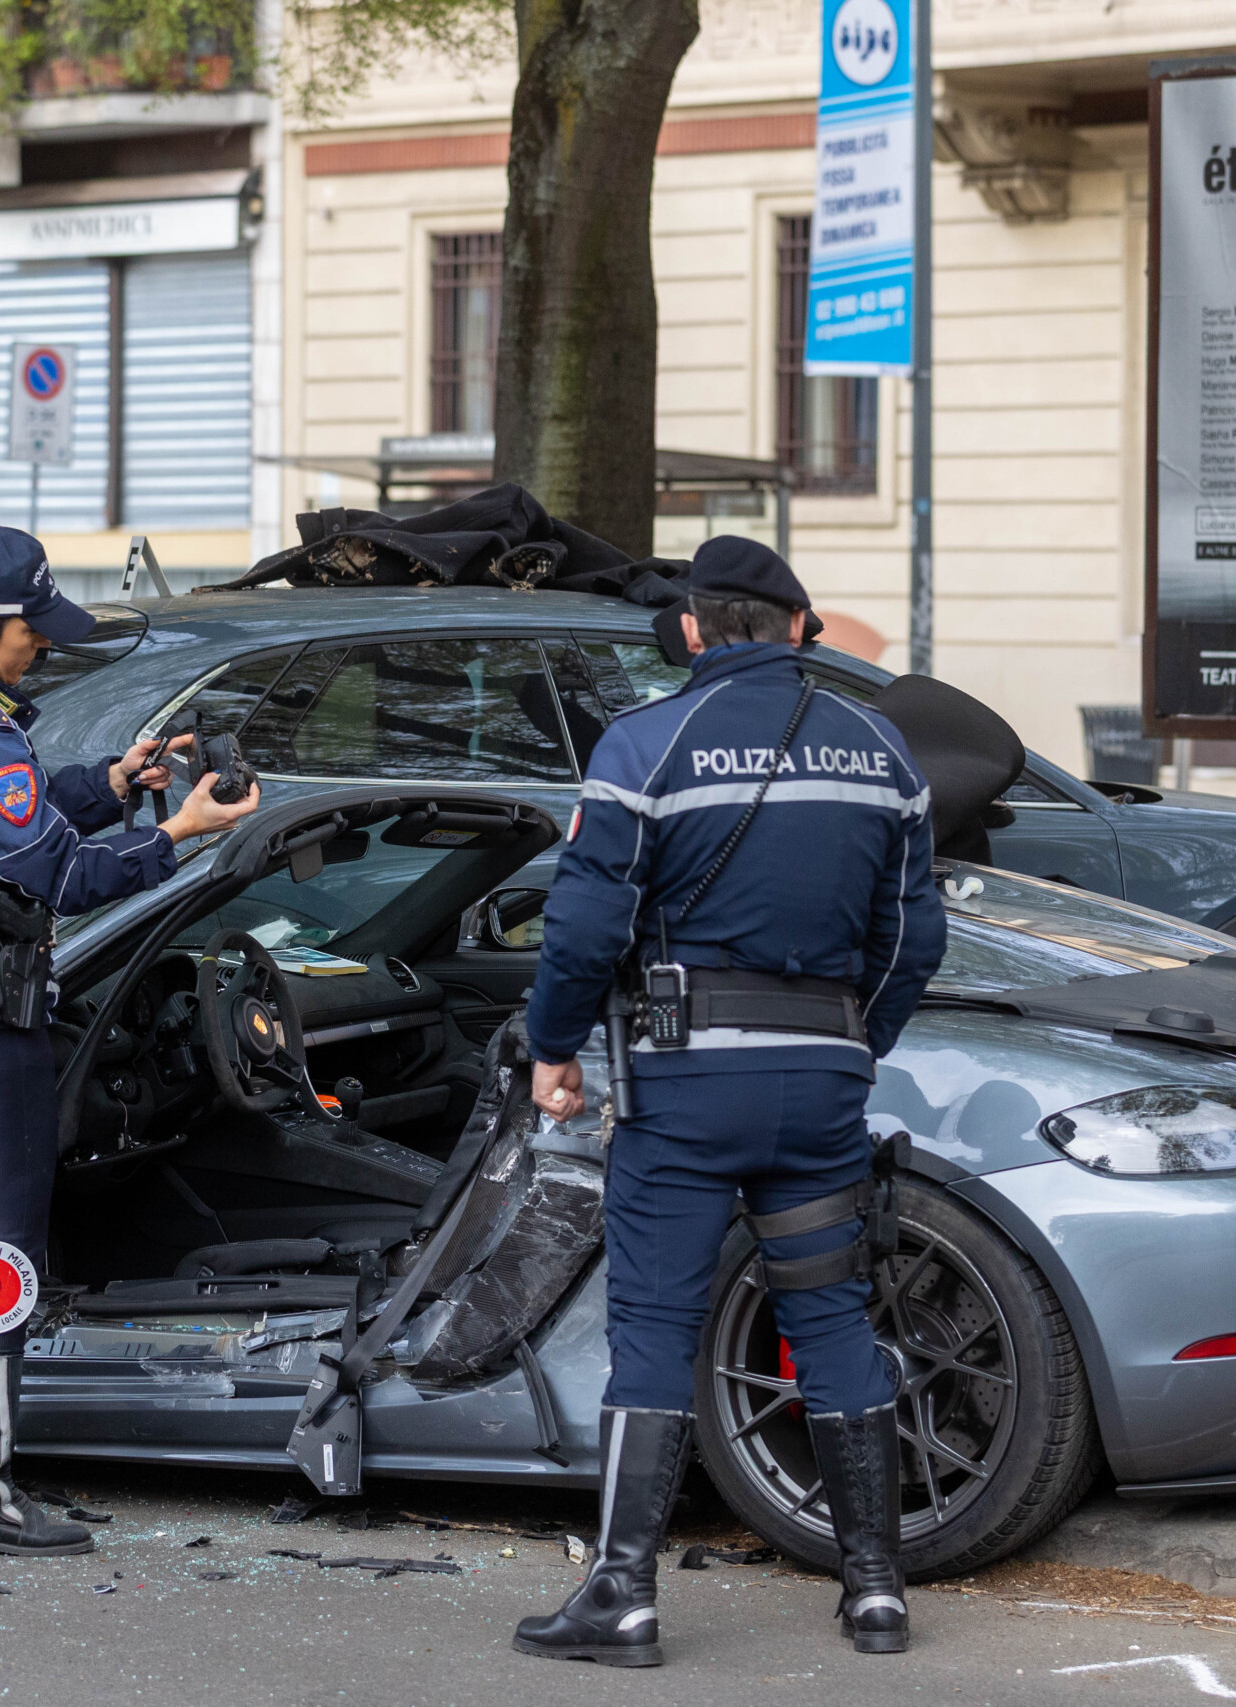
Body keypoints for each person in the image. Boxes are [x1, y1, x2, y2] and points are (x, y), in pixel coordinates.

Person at [512, 534, 945, 1666]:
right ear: (798, 628)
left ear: (695, 630)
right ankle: (875, 1591)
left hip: (686, 1092)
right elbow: (913, 938)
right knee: (832, 1317)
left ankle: (621, 1598)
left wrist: (550, 1049)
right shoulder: (880, 751)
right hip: (819, 1095)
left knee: (653, 1328)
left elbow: (584, 928)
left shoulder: (644, 745)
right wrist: (856, 1045)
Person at [0, 526, 257, 1558]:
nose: (42, 646)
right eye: (32, 629)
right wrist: (178, 835)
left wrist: (116, 784)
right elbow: (61, 879)